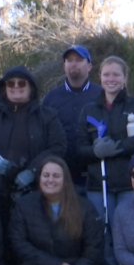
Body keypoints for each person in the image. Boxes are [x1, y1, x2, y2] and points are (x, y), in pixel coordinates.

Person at [76, 56, 134, 265]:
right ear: (99, 77)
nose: (111, 79)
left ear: (125, 78)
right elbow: (79, 148)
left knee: (131, 242)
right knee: (106, 246)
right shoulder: (90, 109)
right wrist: (95, 151)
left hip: (129, 186)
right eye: (106, 75)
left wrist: (117, 147)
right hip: (98, 187)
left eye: (116, 75)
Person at [0, 65, 66, 224]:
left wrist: (34, 170)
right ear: (4, 88)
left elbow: (58, 147)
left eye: (21, 83)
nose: (16, 87)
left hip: (33, 192)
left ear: (31, 87)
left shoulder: (47, 116)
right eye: (11, 83)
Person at [10, 157, 104, 265]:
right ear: (39, 178)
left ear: (65, 180)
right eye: (46, 175)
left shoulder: (85, 207)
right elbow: (19, 244)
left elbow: (93, 256)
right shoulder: (24, 205)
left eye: (56, 176)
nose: (50, 180)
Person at [42, 45, 103, 194]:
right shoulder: (51, 97)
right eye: (69, 60)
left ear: (89, 66)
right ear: (64, 66)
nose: (73, 63)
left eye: (79, 60)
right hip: (61, 175)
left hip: (95, 174)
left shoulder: (102, 95)